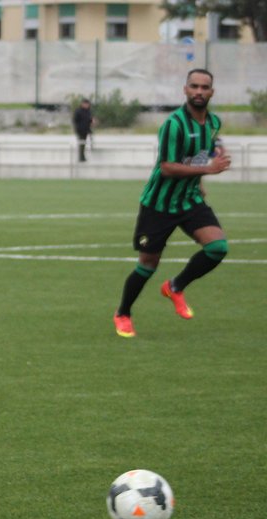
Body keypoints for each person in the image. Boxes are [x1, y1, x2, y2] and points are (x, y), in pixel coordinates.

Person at [113, 69, 231, 338]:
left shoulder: (213, 123)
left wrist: (200, 180)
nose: (199, 91)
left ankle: (175, 286)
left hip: (189, 200)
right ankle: (123, 313)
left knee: (217, 247)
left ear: (211, 92)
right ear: (185, 90)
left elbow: (199, 154)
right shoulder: (174, 124)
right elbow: (167, 167)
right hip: (159, 205)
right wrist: (208, 170)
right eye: (194, 86)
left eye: (204, 87)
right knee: (148, 264)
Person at [73, 98, 93, 162]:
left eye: (88, 104)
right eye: (85, 104)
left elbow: (89, 119)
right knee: (81, 143)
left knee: (84, 143)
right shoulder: (78, 111)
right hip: (80, 130)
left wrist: (92, 121)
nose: (87, 105)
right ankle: (81, 157)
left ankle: (83, 156)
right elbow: (75, 120)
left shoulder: (88, 111)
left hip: (86, 129)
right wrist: (77, 128)